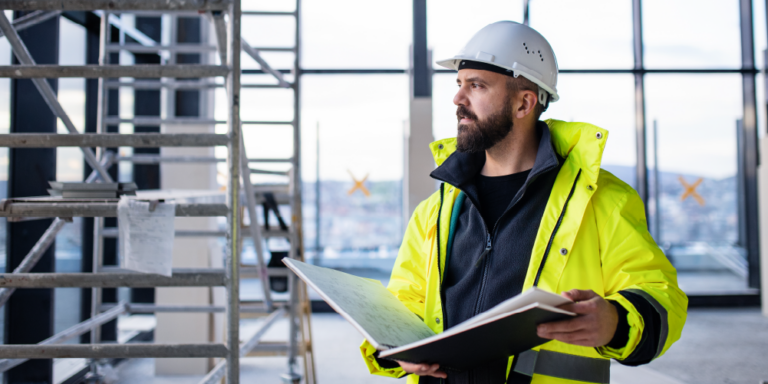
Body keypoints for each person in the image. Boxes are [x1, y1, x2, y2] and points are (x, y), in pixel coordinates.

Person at [359, 21, 688, 384]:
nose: (458, 99)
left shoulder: (602, 200)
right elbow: (403, 301)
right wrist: (393, 347)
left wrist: (616, 321)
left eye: (476, 85)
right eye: (459, 84)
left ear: (524, 103)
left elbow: (661, 294)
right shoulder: (436, 209)